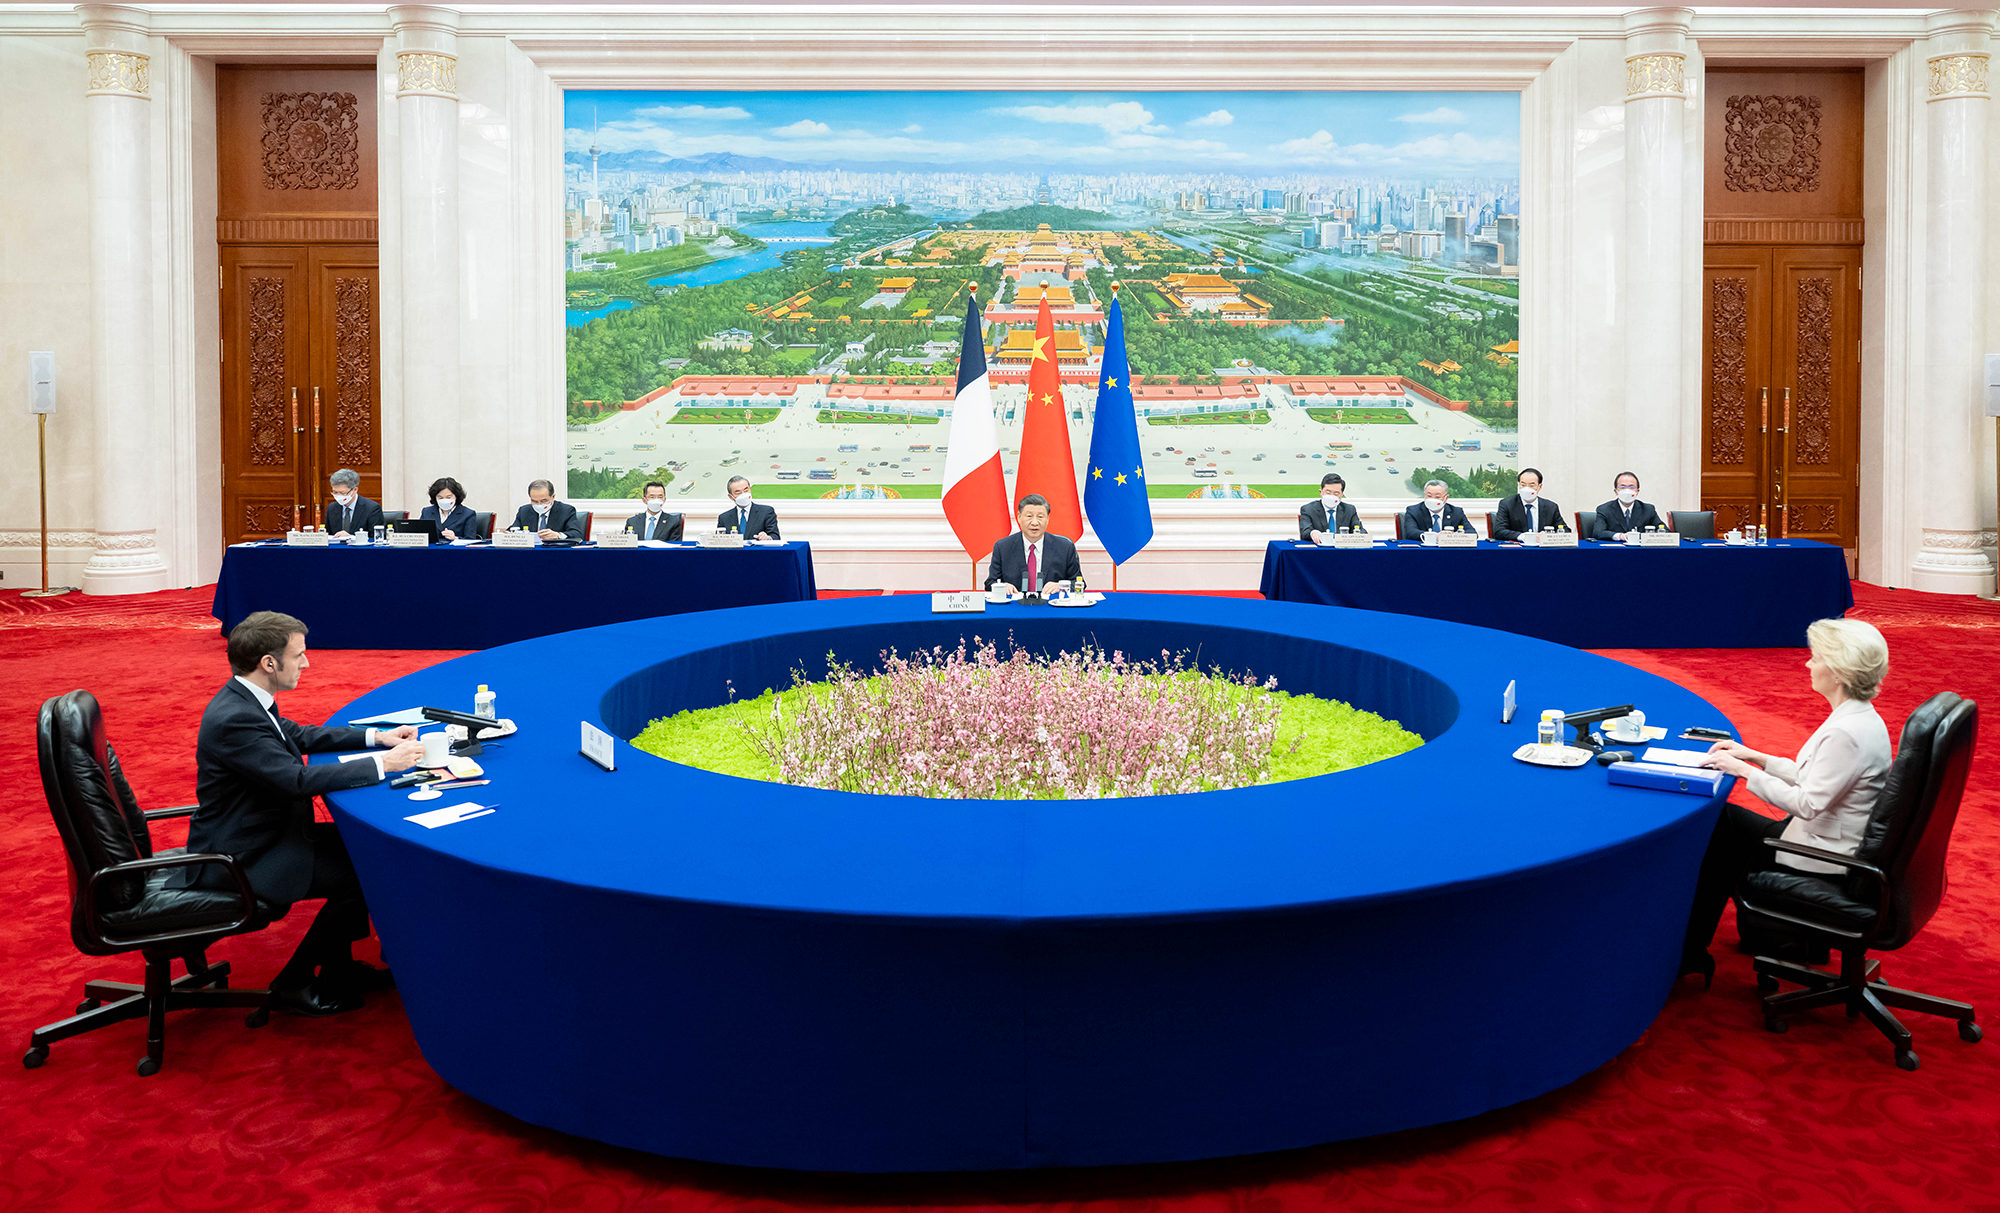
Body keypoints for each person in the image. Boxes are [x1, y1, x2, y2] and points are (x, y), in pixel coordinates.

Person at [172, 612, 426, 1015]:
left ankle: (339, 968)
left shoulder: (244, 698)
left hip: (266, 831)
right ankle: (294, 980)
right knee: (364, 874)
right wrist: (386, 764)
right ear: (269, 663)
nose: (307, 663)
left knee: (363, 853)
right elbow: (296, 781)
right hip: (245, 854)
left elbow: (298, 734)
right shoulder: (235, 719)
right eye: (299, 655)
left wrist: (376, 736)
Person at [1678, 618, 1893, 984]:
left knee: (1718, 834)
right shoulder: (1860, 718)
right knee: (1724, 823)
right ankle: (1732, 944)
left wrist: (1745, 772)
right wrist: (1755, 756)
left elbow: (1808, 803)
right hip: (1828, 837)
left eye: (1816, 658)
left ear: (1838, 671)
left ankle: (1693, 952)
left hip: (1821, 853)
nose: (1808, 664)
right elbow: (1816, 778)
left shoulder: (1846, 733)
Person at [987, 493, 1081, 592]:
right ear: (1019, 517)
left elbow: (1079, 583)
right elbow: (990, 583)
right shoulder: (1002, 547)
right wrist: (1002, 586)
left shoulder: (1065, 547)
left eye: (1040, 517)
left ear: (1048, 519)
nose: (1035, 522)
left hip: (1051, 605)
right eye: (1029, 516)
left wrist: (1061, 586)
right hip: (1016, 606)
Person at [1493, 468, 1567, 541]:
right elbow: (1499, 531)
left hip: (1542, 550)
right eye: (1523, 485)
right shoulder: (1507, 504)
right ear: (1519, 485)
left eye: (1532, 485)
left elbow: (1565, 530)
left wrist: (1548, 537)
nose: (1527, 489)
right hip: (1518, 549)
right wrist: (1524, 536)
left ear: (1540, 486)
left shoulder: (1551, 507)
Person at [510, 479, 585, 541]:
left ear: (553, 497)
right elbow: (512, 530)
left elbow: (576, 534)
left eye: (544, 501)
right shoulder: (524, 511)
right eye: (534, 501)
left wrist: (558, 535)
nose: (539, 504)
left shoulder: (566, 510)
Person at [1594, 471, 1666, 535]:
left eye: (1631, 487)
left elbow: (1664, 530)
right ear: (1616, 491)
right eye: (1622, 487)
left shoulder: (1648, 509)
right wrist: (1620, 536)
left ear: (1637, 491)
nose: (1627, 490)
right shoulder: (1604, 509)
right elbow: (1598, 532)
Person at [1299, 473, 1365, 540]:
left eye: (1336, 493)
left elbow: (1359, 530)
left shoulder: (1349, 510)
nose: (1331, 496)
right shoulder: (1308, 509)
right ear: (1321, 492)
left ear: (1342, 495)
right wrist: (1313, 533)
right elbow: (1305, 532)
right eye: (1328, 492)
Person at [324, 468, 383, 539]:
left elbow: (377, 538)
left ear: (355, 490)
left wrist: (351, 538)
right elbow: (328, 535)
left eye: (343, 493)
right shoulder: (331, 508)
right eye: (335, 492)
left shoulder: (372, 509)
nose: (338, 496)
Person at [1401, 480, 1472, 539]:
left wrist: (1451, 536)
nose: (1433, 499)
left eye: (1437, 497)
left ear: (1446, 498)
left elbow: (1472, 532)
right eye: (1429, 496)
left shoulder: (1456, 512)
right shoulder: (1413, 511)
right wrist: (1435, 536)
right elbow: (1410, 532)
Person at [716, 475, 780, 539]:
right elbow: (719, 540)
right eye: (738, 492)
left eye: (746, 490)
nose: (743, 494)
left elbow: (775, 536)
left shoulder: (766, 512)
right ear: (730, 497)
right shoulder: (724, 518)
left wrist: (768, 538)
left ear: (750, 489)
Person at [419, 477, 479, 541]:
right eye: (440, 497)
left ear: (456, 496)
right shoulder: (426, 512)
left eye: (449, 497)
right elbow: (419, 535)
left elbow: (471, 540)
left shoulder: (468, 514)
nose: (445, 500)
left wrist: (455, 538)